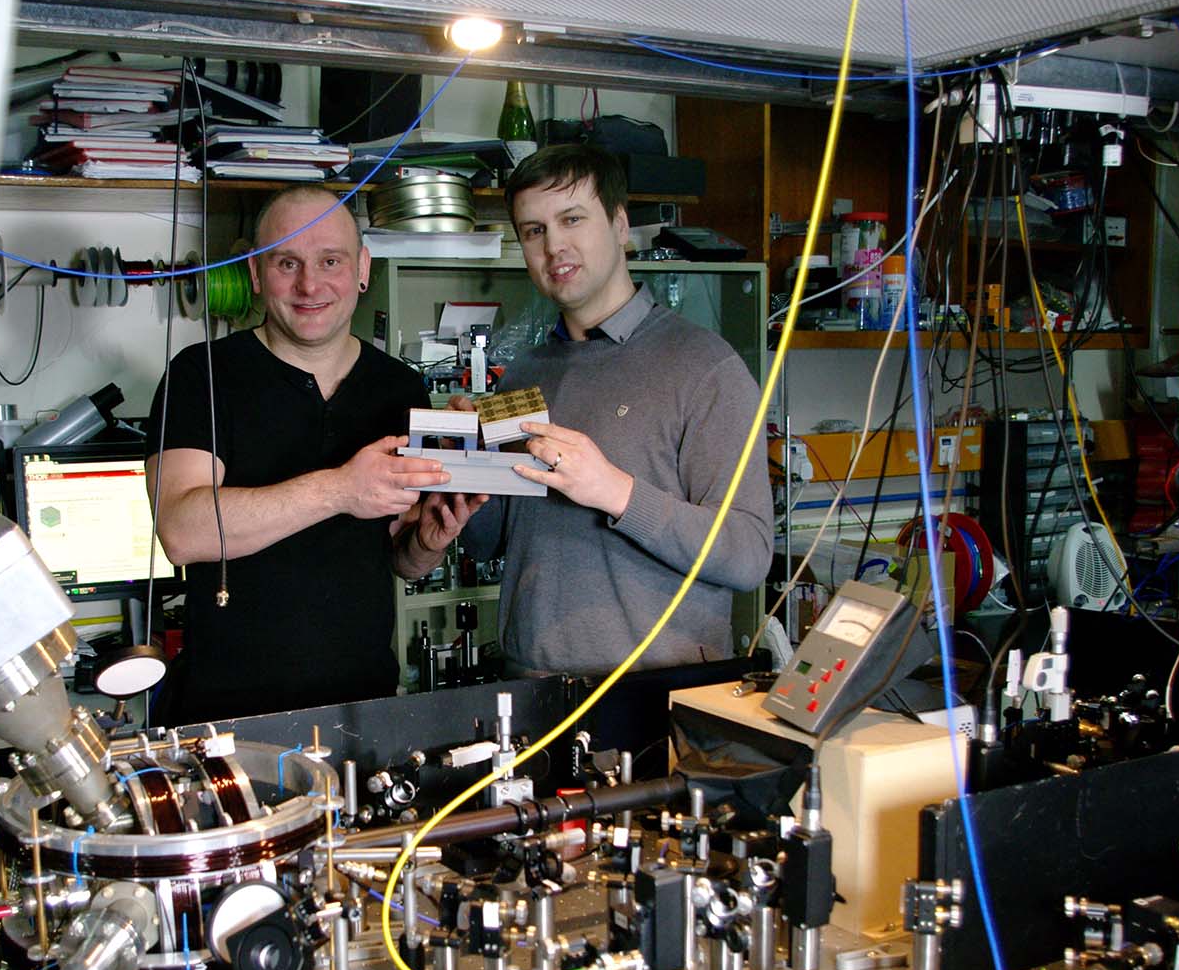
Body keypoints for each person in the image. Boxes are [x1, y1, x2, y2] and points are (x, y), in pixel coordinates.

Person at [146, 186, 486, 721]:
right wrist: (340, 489)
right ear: (257, 274)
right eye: (288, 263)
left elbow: (398, 558)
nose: (310, 284)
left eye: (330, 260)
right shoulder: (201, 376)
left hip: (366, 706)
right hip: (229, 717)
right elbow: (182, 532)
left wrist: (427, 541)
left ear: (362, 269)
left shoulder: (399, 388)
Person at [461, 144, 774, 675]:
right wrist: (465, 470)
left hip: (652, 695)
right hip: (531, 687)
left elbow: (748, 555)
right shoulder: (524, 375)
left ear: (620, 225)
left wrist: (615, 492)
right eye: (533, 231)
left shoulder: (705, 368)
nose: (554, 245)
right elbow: (488, 543)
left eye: (572, 219)